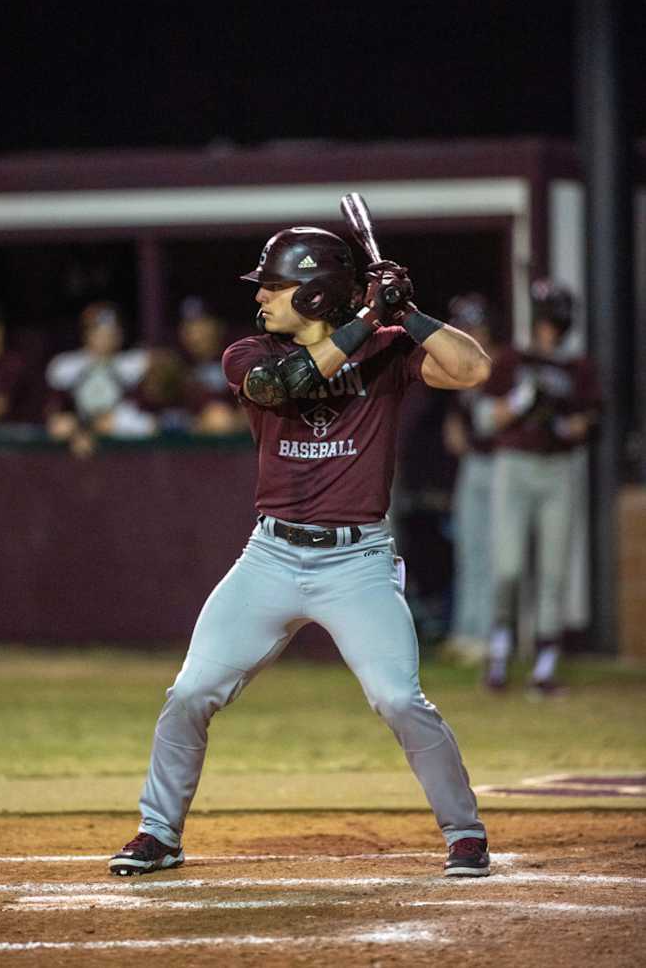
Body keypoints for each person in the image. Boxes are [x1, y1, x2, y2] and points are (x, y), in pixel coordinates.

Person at [109, 225, 492, 879]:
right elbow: (284, 384)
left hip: (357, 562)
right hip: (271, 557)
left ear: (315, 295)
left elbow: (474, 369)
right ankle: (159, 832)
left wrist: (408, 314)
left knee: (399, 700)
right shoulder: (248, 352)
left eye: (275, 287)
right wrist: (368, 316)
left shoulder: (387, 348)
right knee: (191, 692)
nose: (262, 298)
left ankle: (465, 833)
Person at [478, 279, 601, 695]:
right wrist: (521, 401)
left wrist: (563, 424)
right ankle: (499, 652)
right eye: (547, 322)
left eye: (557, 323)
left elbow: (591, 422)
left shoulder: (578, 367)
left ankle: (545, 668)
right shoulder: (514, 360)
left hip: (558, 468)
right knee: (508, 567)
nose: (551, 330)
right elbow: (484, 420)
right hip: (514, 465)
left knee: (553, 570)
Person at [442, 294, 501, 663]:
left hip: (502, 463)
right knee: (469, 548)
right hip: (474, 463)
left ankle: (488, 635)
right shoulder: (462, 369)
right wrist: (454, 427)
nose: (468, 333)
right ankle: (466, 631)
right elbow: (456, 417)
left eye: (472, 327)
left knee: (494, 552)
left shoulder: (503, 365)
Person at [45, 302, 157, 457]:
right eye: (98, 332)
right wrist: (76, 428)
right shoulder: (65, 366)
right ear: (86, 334)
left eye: (111, 332)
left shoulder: (135, 363)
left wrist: (95, 427)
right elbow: (56, 418)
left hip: (126, 450)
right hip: (77, 448)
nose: (105, 338)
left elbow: (151, 423)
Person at [176, 296, 247, 434]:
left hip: (234, 438)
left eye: (201, 325)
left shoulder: (237, 360)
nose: (195, 334)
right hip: (190, 439)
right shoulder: (177, 365)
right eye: (189, 327)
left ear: (217, 326)